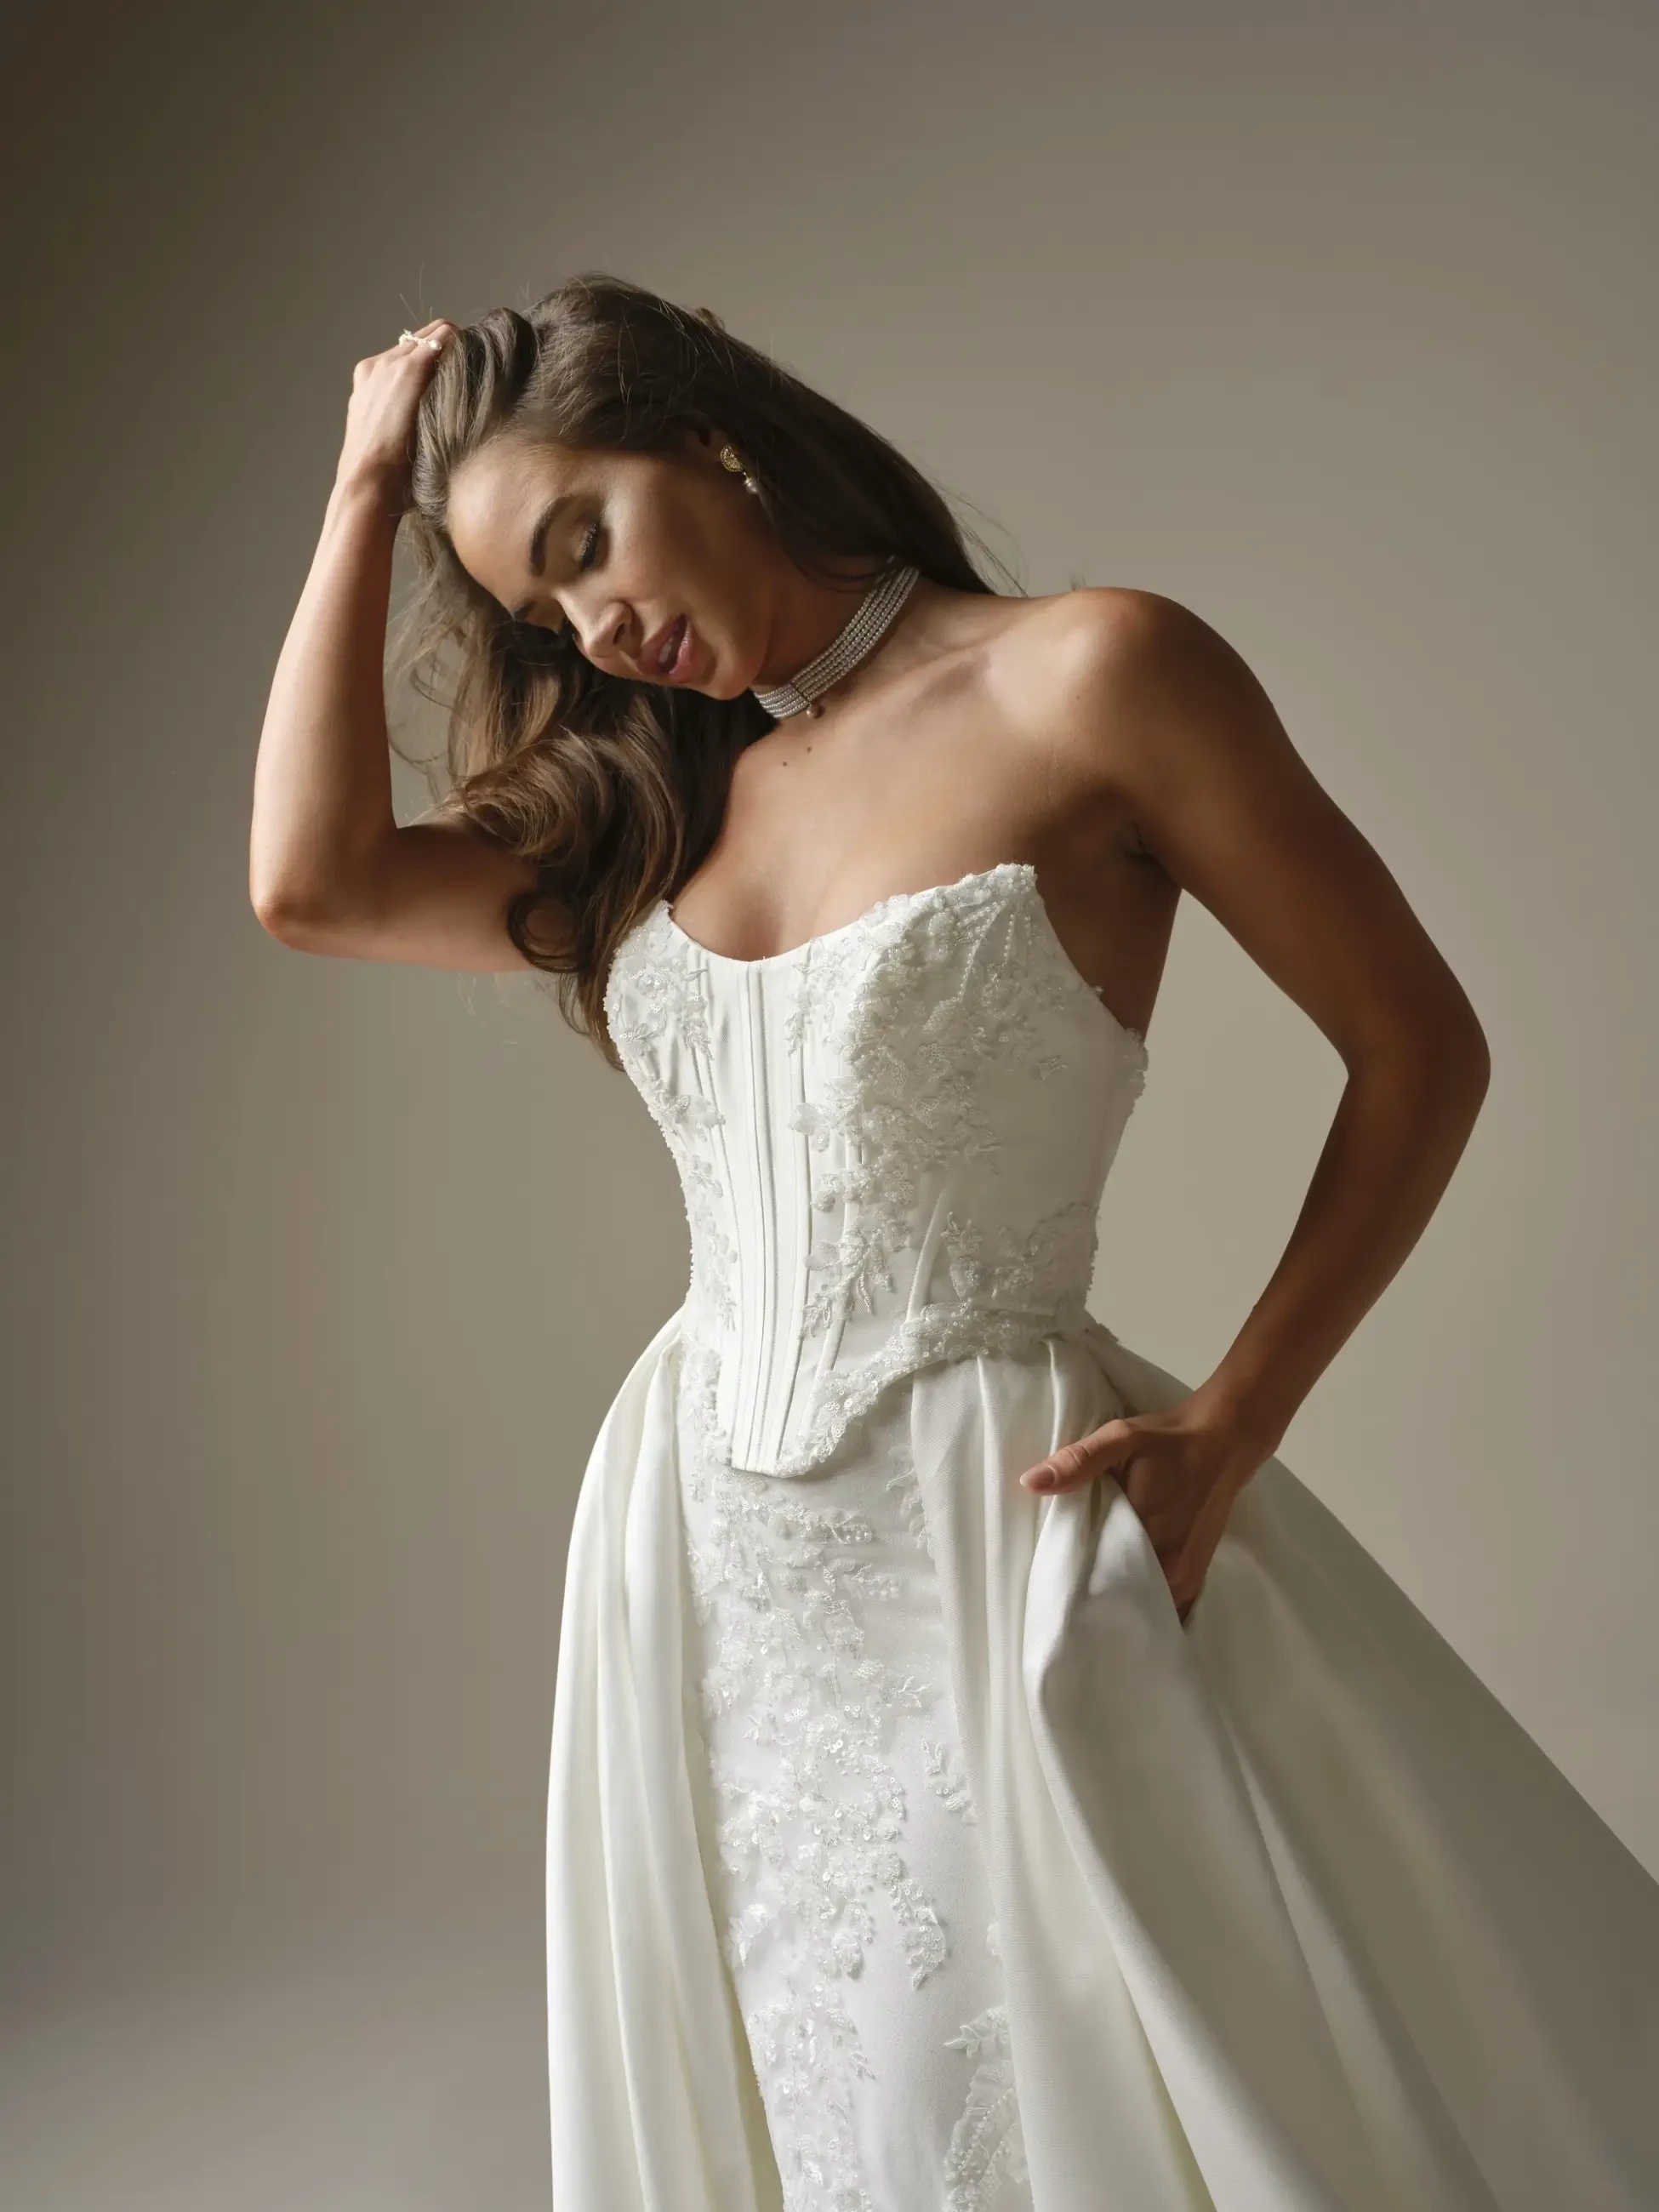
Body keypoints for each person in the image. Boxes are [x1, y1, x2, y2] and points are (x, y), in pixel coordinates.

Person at [249, 274, 1659, 2212]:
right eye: (543, 613)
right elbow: (309, 883)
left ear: (703, 430)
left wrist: (1236, 1422)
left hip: (977, 1525)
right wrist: (359, 493)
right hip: (690, 1564)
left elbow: (1423, 1047)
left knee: (1013, 2106)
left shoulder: (1093, 679)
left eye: (586, 544)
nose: (596, 630)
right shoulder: (657, 799)